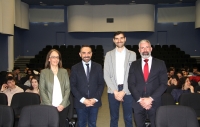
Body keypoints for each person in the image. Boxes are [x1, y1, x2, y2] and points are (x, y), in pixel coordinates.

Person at [128, 39, 167, 127]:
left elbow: (163, 84)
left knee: (155, 125)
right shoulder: (133, 65)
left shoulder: (160, 63)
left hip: (155, 102)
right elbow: (131, 84)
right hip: (138, 102)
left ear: (151, 49)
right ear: (139, 50)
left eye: (147, 47)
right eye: (142, 48)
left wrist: (150, 99)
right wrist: (140, 100)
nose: (145, 50)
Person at [104, 31, 136, 127]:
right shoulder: (108, 54)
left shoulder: (132, 54)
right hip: (113, 90)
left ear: (125, 39)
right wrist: (115, 91)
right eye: (117, 38)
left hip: (128, 90)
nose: (119, 40)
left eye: (121, 38)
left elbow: (132, 75)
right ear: (113, 40)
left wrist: (124, 91)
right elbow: (106, 74)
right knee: (114, 117)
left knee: (129, 117)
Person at [70, 45, 104, 127]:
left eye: (88, 53)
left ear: (91, 54)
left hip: (94, 102)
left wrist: (95, 99)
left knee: (92, 123)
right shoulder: (74, 68)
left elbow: (101, 84)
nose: (86, 55)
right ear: (80, 54)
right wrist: (83, 100)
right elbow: (72, 86)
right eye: (84, 53)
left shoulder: (98, 67)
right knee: (81, 123)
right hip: (80, 102)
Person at [39, 49, 70, 127]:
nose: (55, 59)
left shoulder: (64, 71)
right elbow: (42, 90)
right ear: (49, 59)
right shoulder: (44, 72)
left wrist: (63, 104)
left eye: (57, 57)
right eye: (53, 57)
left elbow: (67, 89)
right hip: (48, 106)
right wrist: (50, 106)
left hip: (63, 106)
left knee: (61, 125)